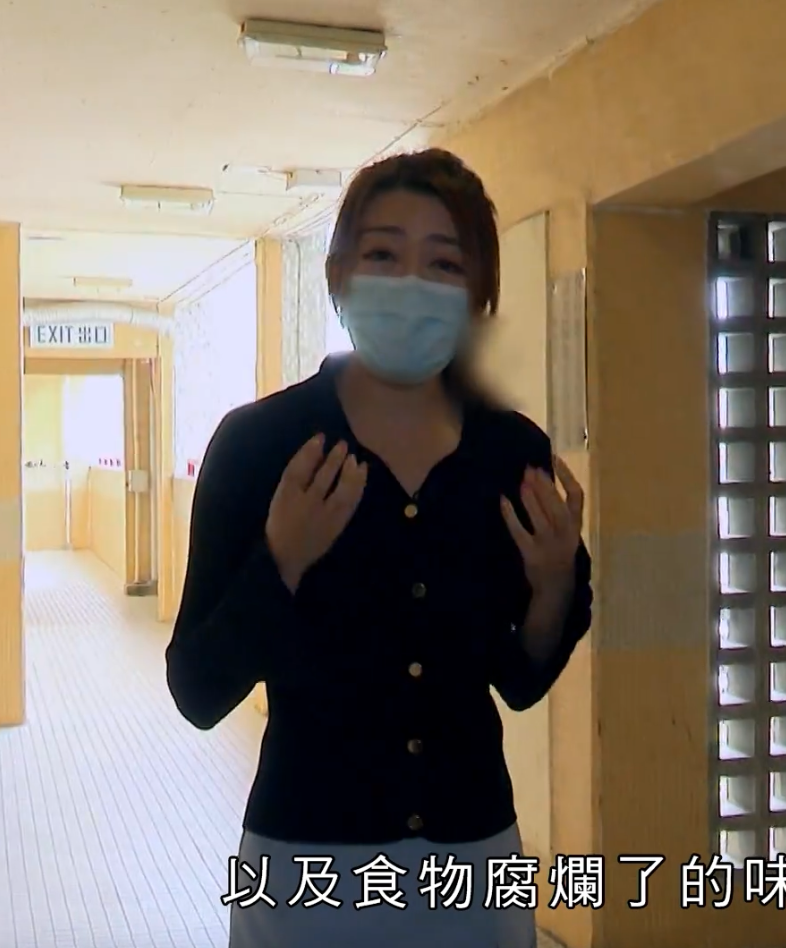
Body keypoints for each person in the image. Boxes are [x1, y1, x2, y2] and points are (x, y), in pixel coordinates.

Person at [165, 148, 593, 948]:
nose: (411, 283)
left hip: (474, 860)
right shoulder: (260, 444)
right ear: (338, 275)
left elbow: (521, 681)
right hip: (304, 864)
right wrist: (281, 560)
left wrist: (552, 588)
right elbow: (197, 690)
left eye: (445, 263)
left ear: (479, 294)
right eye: (384, 254)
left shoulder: (510, 453)